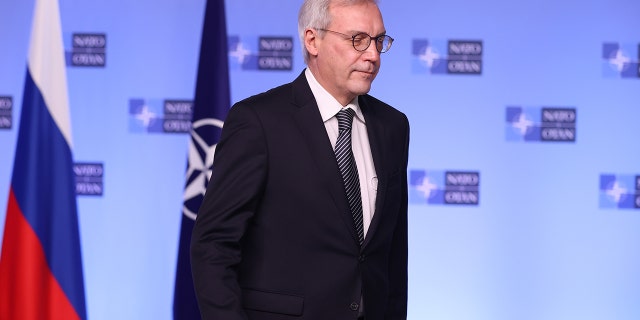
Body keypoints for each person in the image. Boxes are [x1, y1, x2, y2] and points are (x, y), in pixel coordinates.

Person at [190, 0, 409, 319]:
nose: (373, 55)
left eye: (378, 41)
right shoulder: (258, 121)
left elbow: (392, 253)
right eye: (357, 39)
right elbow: (212, 247)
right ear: (312, 40)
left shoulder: (393, 126)